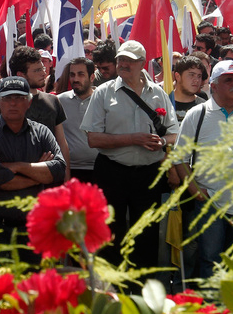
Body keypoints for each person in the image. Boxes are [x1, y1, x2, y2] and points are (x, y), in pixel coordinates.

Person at [80, 40, 179, 269]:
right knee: (109, 232)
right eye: (120, 60)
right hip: (111, 172)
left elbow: (174, 134)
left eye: (129, 60)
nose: (123, 64)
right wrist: (132, 139)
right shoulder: (103, 93)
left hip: (148, 174)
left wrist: (161, 142)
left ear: (142, 63)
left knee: (146, 234)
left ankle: (142, 290)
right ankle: (110, 290)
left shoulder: (159, 94)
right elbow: (93, 138)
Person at [172, 60, 233, 278]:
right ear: (213, 85)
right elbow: (179, 158)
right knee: (210, 259)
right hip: (210, 203)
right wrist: (195, 191)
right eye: (229, 80)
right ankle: (212, 308)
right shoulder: (196, 115)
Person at [0, 76, 66, 264]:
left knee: (31, 289)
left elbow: (58, 170)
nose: (13, 103)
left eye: (19, 98)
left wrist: (18, 167)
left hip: (32, 230)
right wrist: (39, 175)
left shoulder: (42, 132)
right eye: (7, 98)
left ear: (29, 102)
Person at [5, 45, 71, 178]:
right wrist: (34, 167)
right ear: (20, 75)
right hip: (19, 184)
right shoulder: (6, 107)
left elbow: (62, 142)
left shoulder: (53, 101)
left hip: (53, 179)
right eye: (37, 70)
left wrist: (66, 175)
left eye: (42, 68)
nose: (44, 73)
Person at [58, 58, 99, 183]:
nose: (75, 79)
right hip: (70, 170)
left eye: (81, 74)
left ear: (92, 77)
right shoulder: (59, 101)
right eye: (72, 75)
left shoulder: (104, 101)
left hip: (100, 170)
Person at [170, 55, 207, 122]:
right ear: (178, 76)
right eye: (191, 75)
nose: (196, 80)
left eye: (199, 76)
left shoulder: (204, 108)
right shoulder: (164, 102)